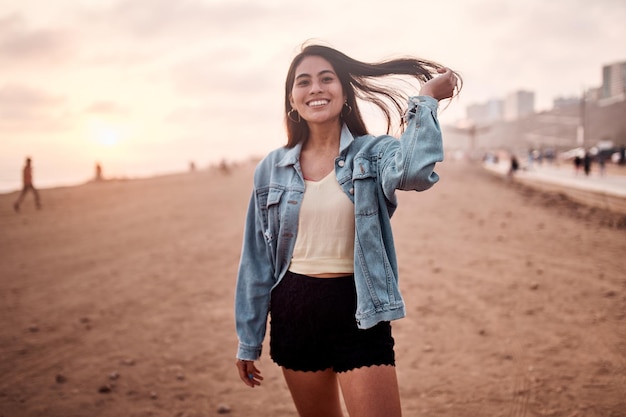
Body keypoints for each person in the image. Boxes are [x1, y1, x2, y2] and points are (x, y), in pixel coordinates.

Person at [234, 43, 460, 417]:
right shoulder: (271, 168)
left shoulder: (372, 153)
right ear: (292, 99)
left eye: (327, 79)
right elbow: (256, 261)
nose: (316, 89)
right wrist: (248, 340)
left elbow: (414, 172)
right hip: (294, 312)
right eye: (303, 82)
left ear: (344, 92)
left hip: (359, 310)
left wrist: (425, 100)